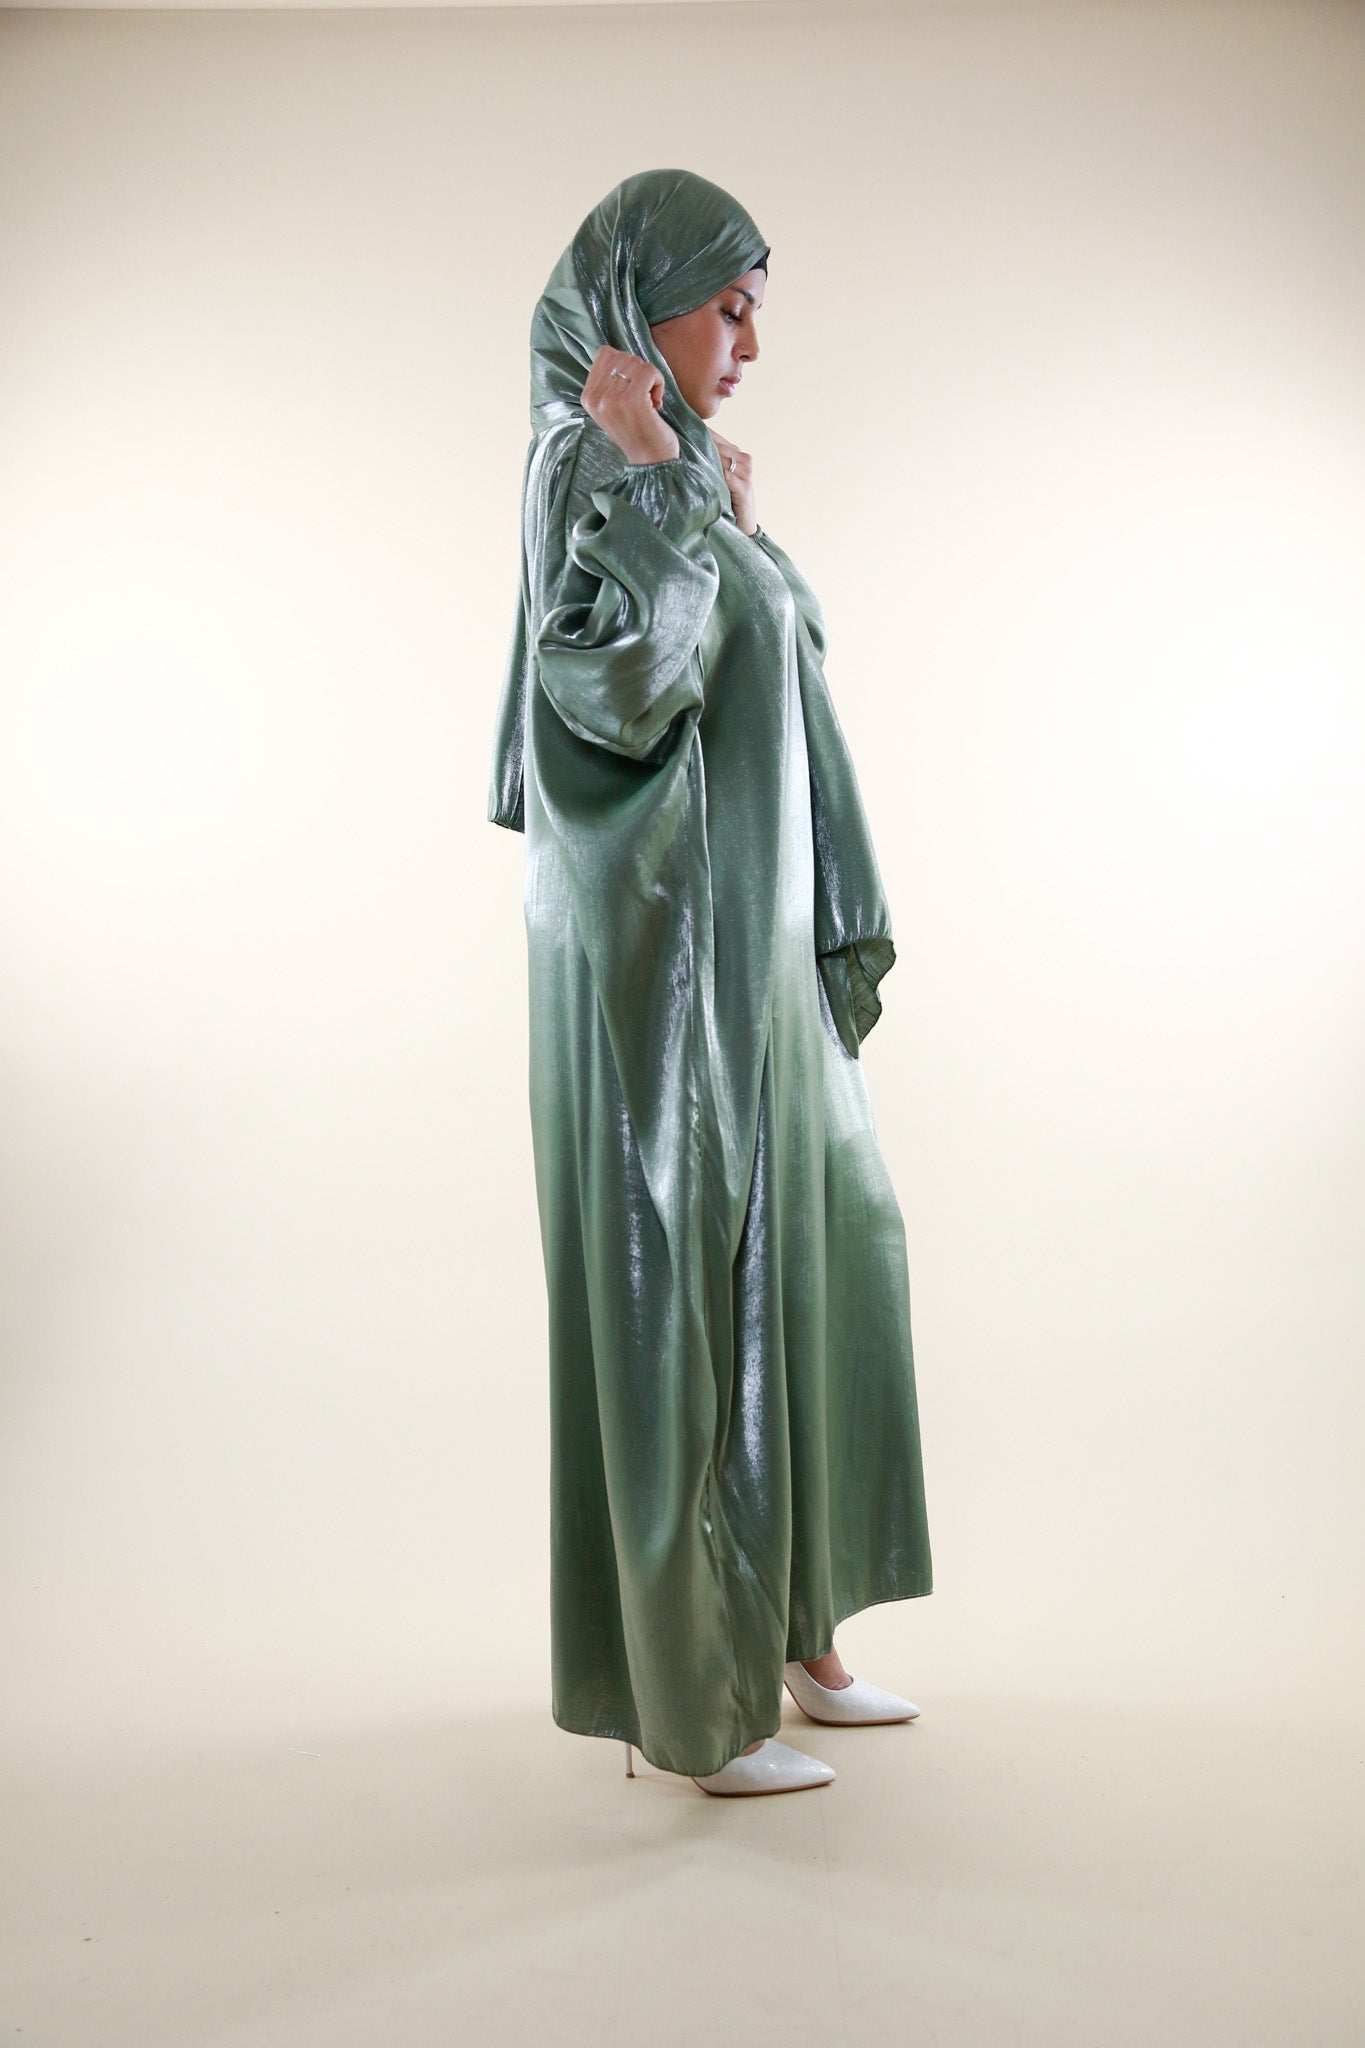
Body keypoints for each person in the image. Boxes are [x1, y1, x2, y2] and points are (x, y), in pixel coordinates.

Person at [486, 168, 932, 1797]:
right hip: (665, 954)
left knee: (817, 1247)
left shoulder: (665, 460)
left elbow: (770, 662)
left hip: (754, 939)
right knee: (681, 1279)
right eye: (725, 307)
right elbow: (614, 692)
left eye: (755, 311)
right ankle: (698, 1697)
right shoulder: (583, 455)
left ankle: (793, 1626)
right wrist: (661, 482)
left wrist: (721, 515)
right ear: (638, 305)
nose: (746, 343)